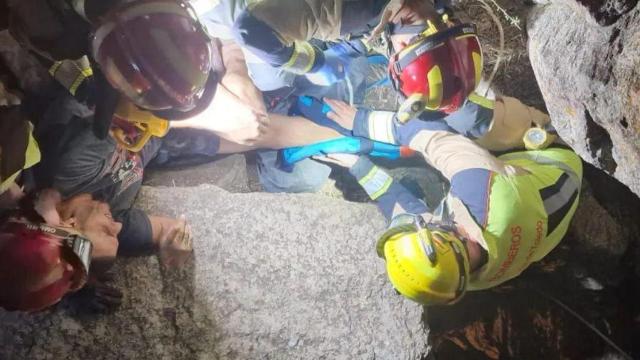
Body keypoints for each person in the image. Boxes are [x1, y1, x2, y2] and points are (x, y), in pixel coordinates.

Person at [316, 110, 583, 305]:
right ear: (451, 233)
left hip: (543, 216)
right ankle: (540, 123)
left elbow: (407, 213)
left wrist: (358, 166)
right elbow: (433, 138)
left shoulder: (459, 277)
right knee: (461, 110)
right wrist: (363, 121)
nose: (418, 219)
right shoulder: (482, 194)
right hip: (555, 161)